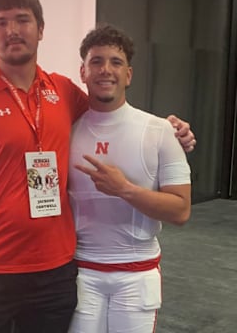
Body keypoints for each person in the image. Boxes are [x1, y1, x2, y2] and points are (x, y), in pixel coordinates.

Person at [0, 0, 195, 333]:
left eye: (22, 20)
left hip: (54, 273)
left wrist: (169, 129)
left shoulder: (62, 92)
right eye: (1, 22)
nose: (12, 30)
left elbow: (110, 115)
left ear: (40, 29)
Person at [68, 24, 191, 333]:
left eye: (115, 62)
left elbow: (181, 211)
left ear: (129, 75)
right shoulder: (65, 128)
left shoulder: (160, 131)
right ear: (83, 72)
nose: (105, 70)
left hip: (137, 275)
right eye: (96, 61)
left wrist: (123, 189)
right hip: (82, 271)